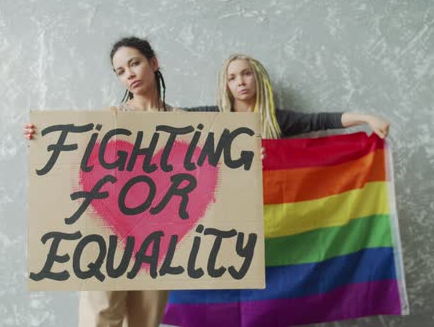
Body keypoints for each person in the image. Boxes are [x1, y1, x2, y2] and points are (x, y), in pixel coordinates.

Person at [24, 36, 176, 327]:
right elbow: (70, 160)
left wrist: (249, 156)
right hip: (107, 236)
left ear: (153, 63)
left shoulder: (184, 121)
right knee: (99, 316)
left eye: (135, 63)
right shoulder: (108, 119)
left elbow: (216, 166)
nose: (129, 74)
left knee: (145, 320)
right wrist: (41, 136)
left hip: (157, 241)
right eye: (120, 71)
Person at [185, 54, 390, 139]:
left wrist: (366, 118)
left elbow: (321, 120)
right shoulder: (215, 117)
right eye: (232, 78)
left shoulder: (276, 120)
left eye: (246, 74)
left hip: (269, 203)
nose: (240, 81)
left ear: (258, 78)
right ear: (227, 86)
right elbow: (173, 117)